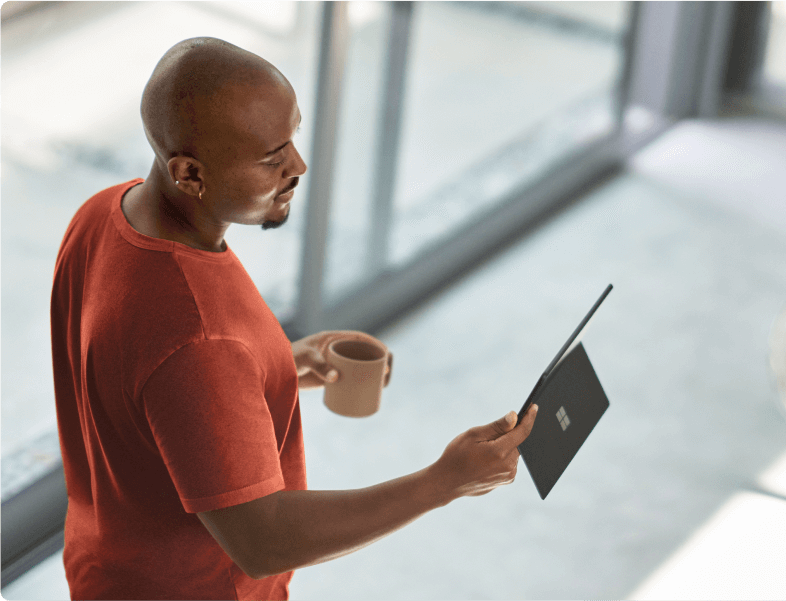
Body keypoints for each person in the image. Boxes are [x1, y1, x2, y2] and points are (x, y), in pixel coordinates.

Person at [50, 37, 538, 600]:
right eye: (270, 156)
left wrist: (276, 365)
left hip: (104, 566)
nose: (298, 166)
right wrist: (442, 482)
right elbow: (264, 542)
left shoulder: (105, 214)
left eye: (292, 138)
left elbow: (139, 384)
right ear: (189, 173)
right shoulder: (202, 341)